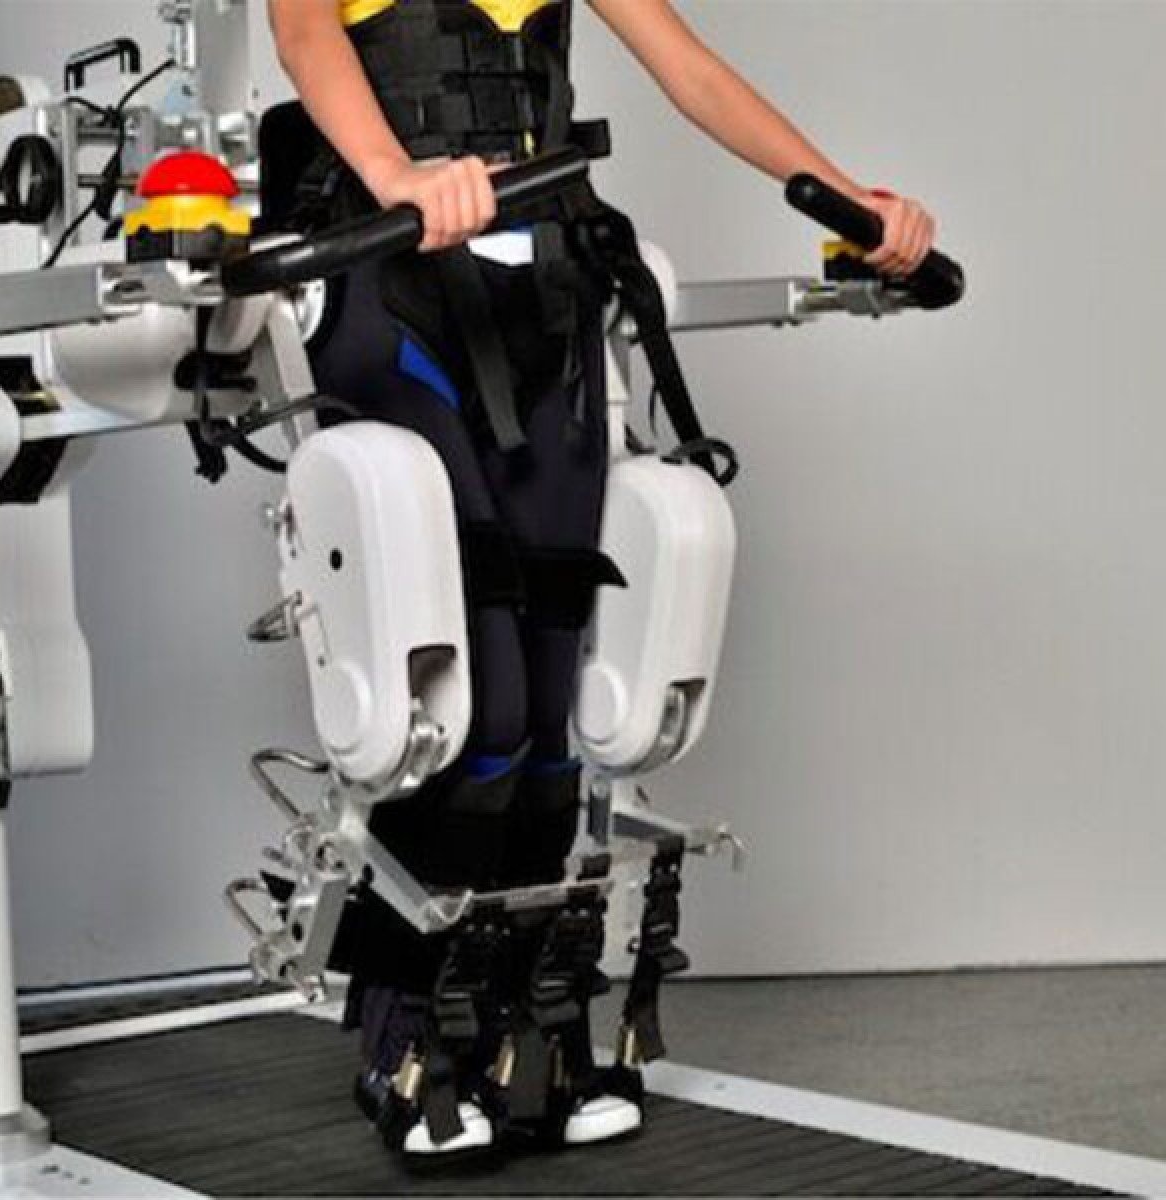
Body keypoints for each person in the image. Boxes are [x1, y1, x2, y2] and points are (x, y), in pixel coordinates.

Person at [264, 0, 937, 1163]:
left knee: (551, 694)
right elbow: (303, 36)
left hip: (547, 284)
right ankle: (407, 1034)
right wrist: (394, 174)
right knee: (468, 698)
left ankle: (529, 1024)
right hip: (393, 277)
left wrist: (849, 200)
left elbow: (691, 70)